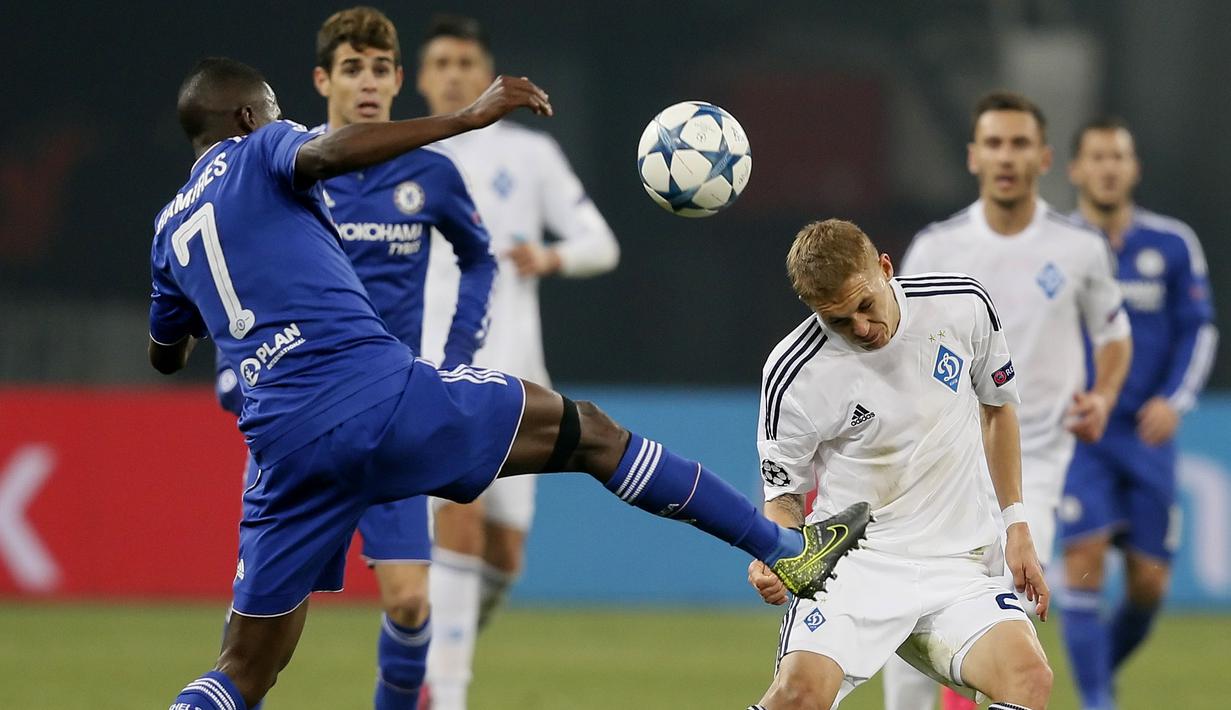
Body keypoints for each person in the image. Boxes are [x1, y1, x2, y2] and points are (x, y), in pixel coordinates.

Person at [151, 57, 869, 710]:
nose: (281, 122)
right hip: (373, 395)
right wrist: (463, 120)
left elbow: (167, 352)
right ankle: (783, 552)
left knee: (242, 670)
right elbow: (325, 150)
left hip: (282, 446)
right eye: (272, 110)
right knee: (590, 433)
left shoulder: (167, 230)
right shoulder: (263, 149)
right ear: (247, 118)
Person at [210, 8, 500, 707]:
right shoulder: (287, 169)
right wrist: (232, 364)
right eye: (351, 69)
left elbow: (479, 258)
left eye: (379, 69)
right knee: (260, 634)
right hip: (304, 416)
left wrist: (453, 356)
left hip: (393, 408)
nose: (366, 83)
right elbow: (233, 266)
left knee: (408, 603)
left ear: (398, 80)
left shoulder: (430, 173)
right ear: (321, 79)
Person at [881, 90, 1134, 710]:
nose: (1006, 156)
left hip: (1035, 468)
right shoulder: (937, 248)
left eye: (1020, 143)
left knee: (1011, 619)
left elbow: (1115, 334)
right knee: (908, 633)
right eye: (994, 143)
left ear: (1044, 157)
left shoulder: (1079, 248)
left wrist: (1102, 397)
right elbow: (895, 350)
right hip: (942, 470)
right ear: (973, 156)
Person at [745, 219, 1051, 709]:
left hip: (957, 564)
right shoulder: (793, 375)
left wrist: (1016, 524)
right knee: (798, 695)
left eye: (865, 306)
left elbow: (996, 407)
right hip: (850, 566)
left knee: (1029, 679)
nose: (862, 330)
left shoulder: (962, 305)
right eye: (838, 321)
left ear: (886, 268)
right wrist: (775, 551)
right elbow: (783, 495)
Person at [413, 15, 620, 708]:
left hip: (520, 378)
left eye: (464, 61)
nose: (451, 73)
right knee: (457, 521)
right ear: (421, 77)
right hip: (434, 375)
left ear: (488, 75)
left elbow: (601, 243)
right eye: (439, 61)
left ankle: (446, 642)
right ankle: (447, 694)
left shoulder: (530, 156)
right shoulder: (400, 157)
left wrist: (552, 255)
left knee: (504, 556)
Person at [1059, 117, 1217, 710]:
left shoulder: (1173, 244)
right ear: (1075, 169)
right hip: (1082, 434)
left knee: (1150, 585)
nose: (1107, 167)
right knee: (1084, 561)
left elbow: (1197, 331)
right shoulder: (1055, 246)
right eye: (1096, 156)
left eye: (1118, 156)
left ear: (1133, 168)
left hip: (1148, 435)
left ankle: (1095, 674)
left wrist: (1174, 401)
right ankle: (1099, 701)